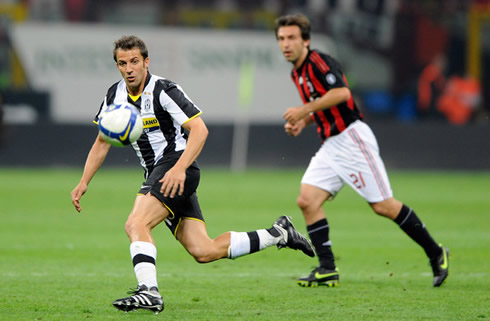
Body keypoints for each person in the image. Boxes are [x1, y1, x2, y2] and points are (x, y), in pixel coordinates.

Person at [71, 35, 314, 314]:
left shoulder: (163, 90)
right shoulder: (114, 96)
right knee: (204, 250)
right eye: (122, 63)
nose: (129, 69)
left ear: (146, 62)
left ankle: (149, 291)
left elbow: (200, 130)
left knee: (136, 223)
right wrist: (83, 181)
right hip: (160, 173)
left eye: (135, 62)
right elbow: (102, 141)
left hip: (177, 167)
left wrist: (179, 168)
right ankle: (278, 233)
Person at [274, 14, 449, 288]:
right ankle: (327, 268)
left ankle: (435, 252)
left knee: (383, 206)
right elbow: (321, 104)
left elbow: (342, 94)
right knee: (307, 200)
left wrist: (302, 110)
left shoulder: (319, 61)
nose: (286, 44)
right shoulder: (296, 72)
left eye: (292, 37)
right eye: (282, 39)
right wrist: (304, 122)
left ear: (305, 40)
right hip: (331, 144)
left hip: (352, 138)